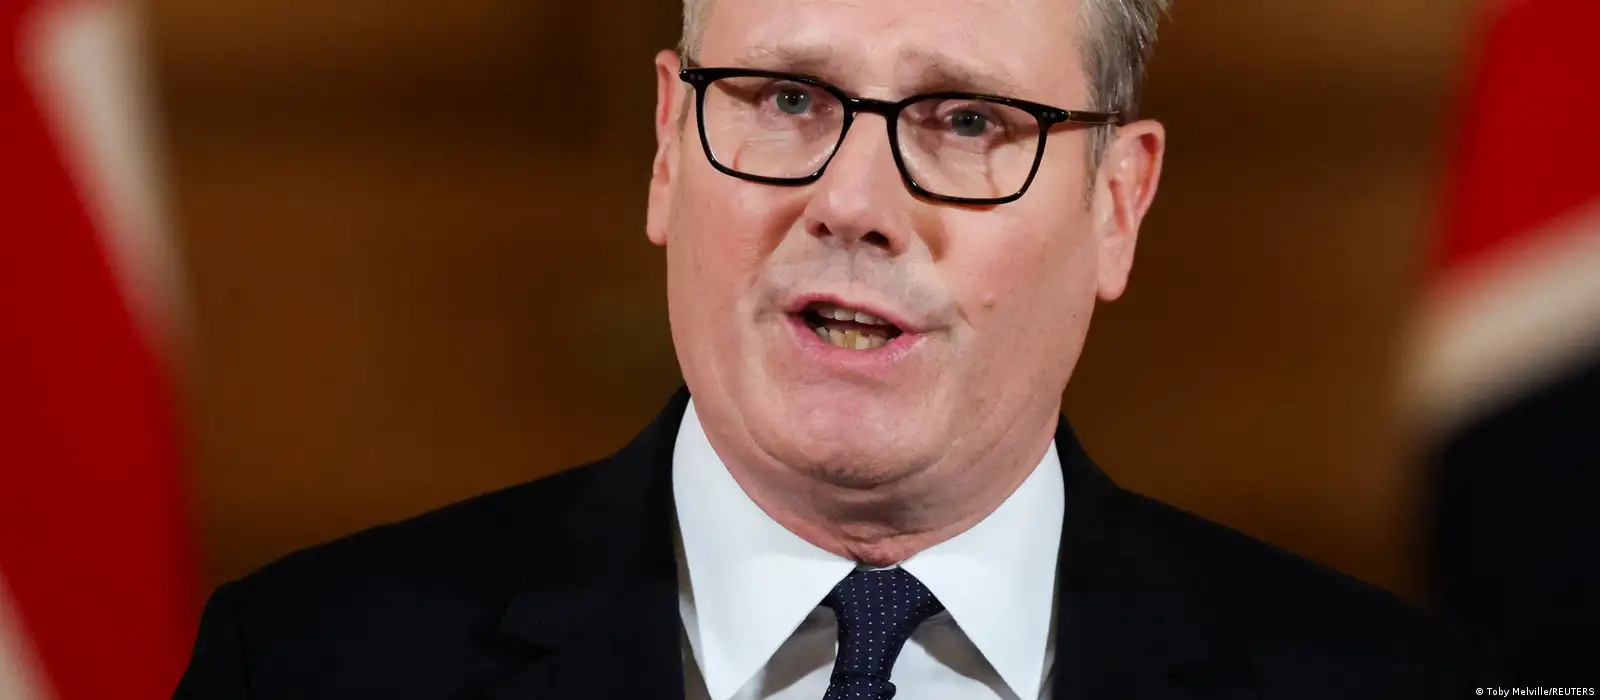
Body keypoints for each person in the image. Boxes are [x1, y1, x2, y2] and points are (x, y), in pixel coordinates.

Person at [173, 0, 1505, 697]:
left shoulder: (1393, 688)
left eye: (967, 121)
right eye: (785, 98)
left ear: (1118, 203)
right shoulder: (305, 668)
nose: (853, 203)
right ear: (666, 147)